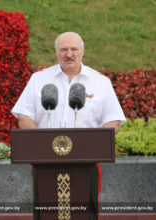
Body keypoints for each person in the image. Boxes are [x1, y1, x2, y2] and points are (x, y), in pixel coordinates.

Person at [11, 32, 126, 219]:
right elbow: (24, 116)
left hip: (86, 161)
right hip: (45, 160)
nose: (69, 53)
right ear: (56, 52)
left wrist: (95, 144)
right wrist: (41, 144)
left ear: (82, 51)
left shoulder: (100, 82)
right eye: (64, 49)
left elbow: (113, 120)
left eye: (74, 49)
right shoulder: (39, 79)